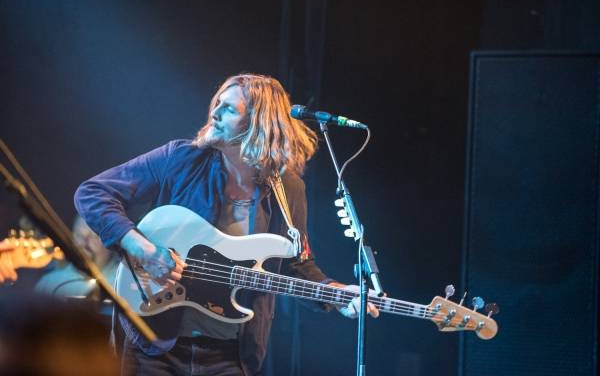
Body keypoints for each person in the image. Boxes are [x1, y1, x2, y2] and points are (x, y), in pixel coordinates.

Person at [74, 74, 378, 376]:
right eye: (217, 103)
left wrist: (338, 294)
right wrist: (144, 250)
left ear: (258, 124)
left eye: (229, 108)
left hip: (230, 356)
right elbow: (93, 194)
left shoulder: (288, 189)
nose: (214, 113)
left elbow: (296, 266)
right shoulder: (181, 158)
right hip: (155, 343)